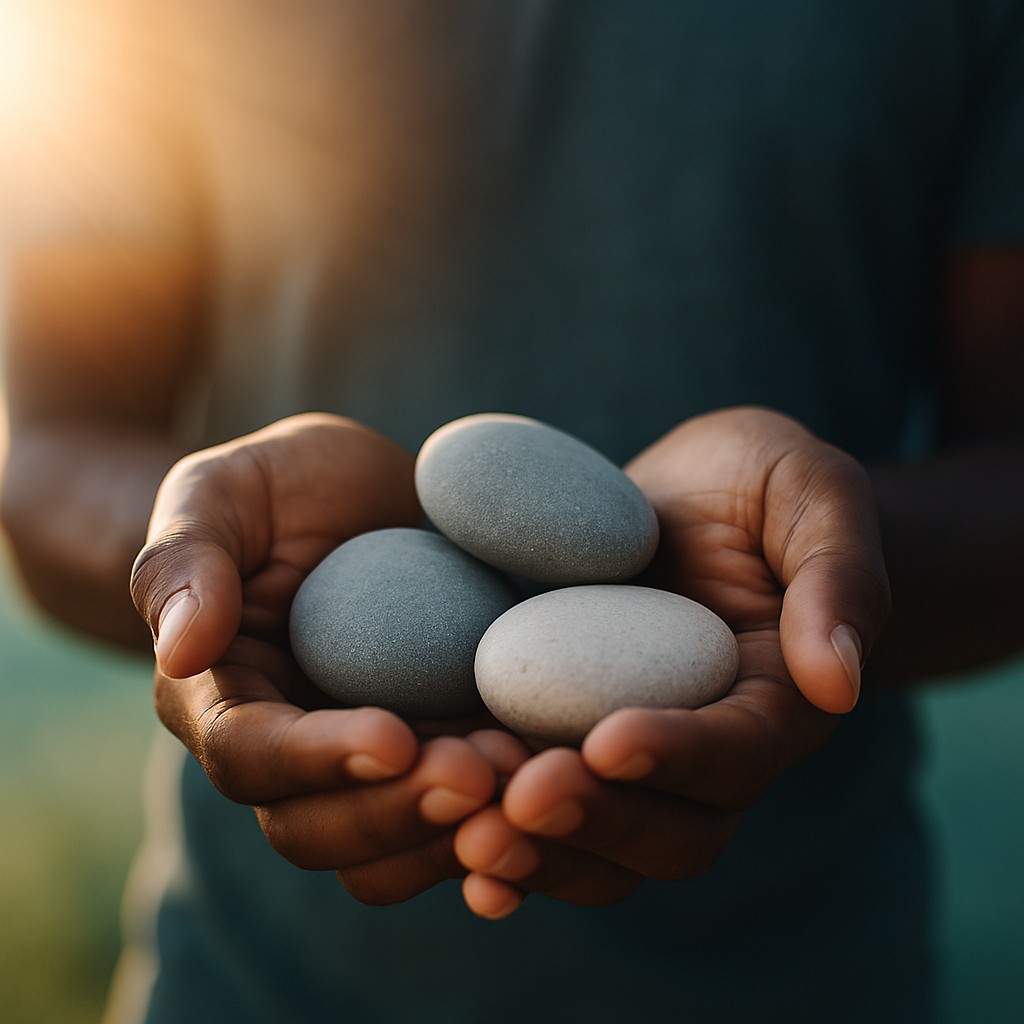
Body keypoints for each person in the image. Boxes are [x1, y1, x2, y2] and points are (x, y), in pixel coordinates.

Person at [2, 3, 1022, 1022]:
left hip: (813, 978)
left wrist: (825, 563)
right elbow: (47, 442)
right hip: (252, 983)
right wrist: (204, 562)